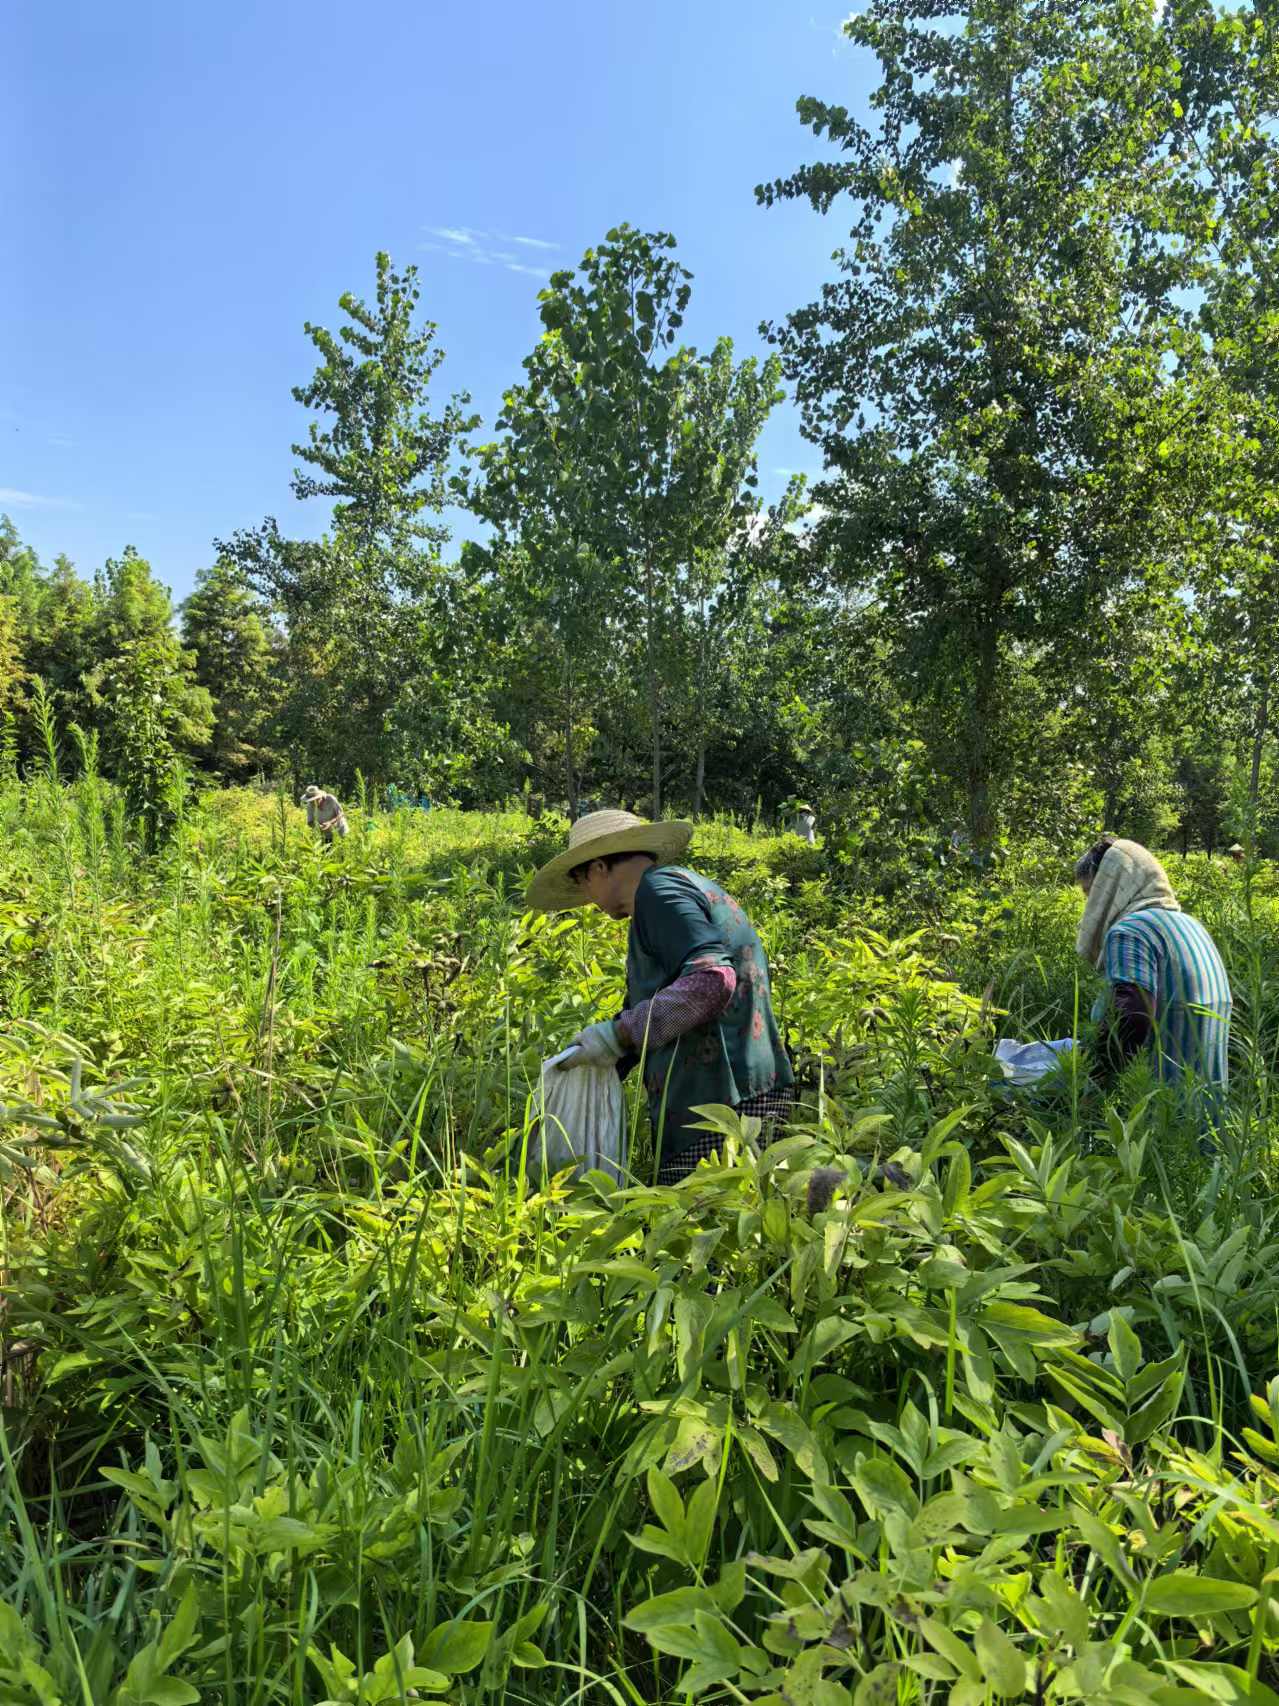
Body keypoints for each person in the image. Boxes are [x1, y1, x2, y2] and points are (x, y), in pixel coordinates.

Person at [527, 810, 794, 1184]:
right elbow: (665, 999)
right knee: (760, 1204)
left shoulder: (658, 893)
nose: (586, 897)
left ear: (598, 868)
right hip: (751, 1090)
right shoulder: (676, 889)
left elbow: (712, 980)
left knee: (695, 1215)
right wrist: (603, 1054)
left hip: (719, 1107)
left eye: (582, 882)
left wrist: (618, 1034)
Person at [1074, 835, 1231, 1117]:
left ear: (1110, 887)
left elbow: (1132, 1015)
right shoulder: (1191, 926)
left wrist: (1093, 1082)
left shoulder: (1130, 931)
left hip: (1159, 1116)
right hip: (1207, 1116)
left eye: (1090, 894)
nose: (1090, 907)